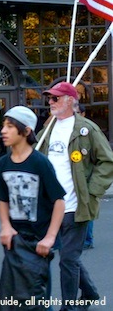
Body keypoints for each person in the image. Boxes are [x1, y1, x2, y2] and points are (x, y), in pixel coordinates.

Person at [36, 82, 113, 310]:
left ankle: (68, 307)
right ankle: (89, 293)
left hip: (76, 207)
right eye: (49, 98)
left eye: (55, 98)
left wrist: (90, 193)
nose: (50, 102)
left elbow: (107, 162)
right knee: (69, 258)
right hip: (52, 208)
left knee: (68, 260)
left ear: (70, 101)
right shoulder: (46, 132)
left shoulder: (86, 129)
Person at [0, 106, 65, 310]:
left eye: (10, 126)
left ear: (25, 131)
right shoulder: (3, 164)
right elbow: (3, 199)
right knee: (10, 298)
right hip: (16, 240)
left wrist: (50, 238)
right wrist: (6, 226)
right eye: (3, 126)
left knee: (37, 298)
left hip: (39, 242)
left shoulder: (40, 163)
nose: (3, 131)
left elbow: (59, 201)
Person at [75, 104, 94, 250]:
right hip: (74, 180)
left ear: (83, 114)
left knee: (86, 209)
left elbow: (103, 160)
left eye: (77, 113)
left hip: (87, 178)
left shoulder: (90, 131)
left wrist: (95, 187)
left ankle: (87, 239)